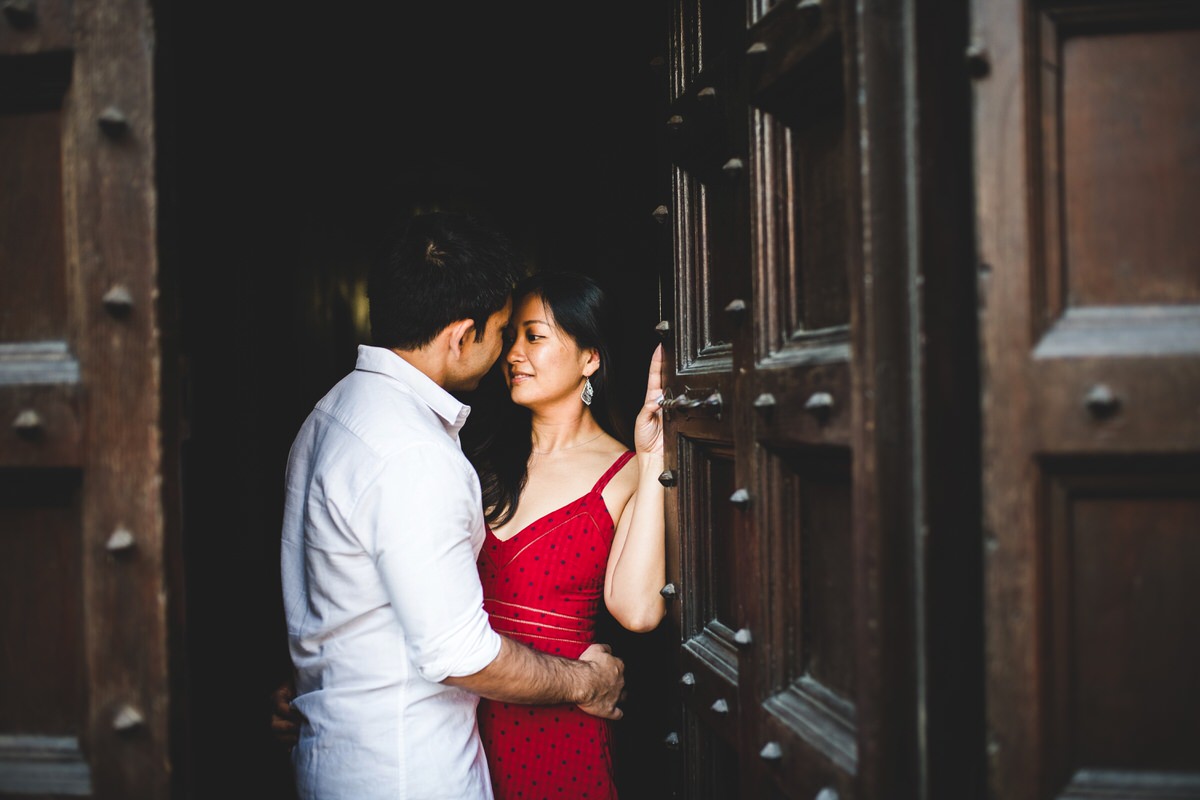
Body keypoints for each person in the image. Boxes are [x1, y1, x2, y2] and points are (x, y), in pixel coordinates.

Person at [279, 212, 625, 800]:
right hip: (409, 770)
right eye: (500, 332)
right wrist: (584, 681)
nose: (506, 353)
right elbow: (459, 654)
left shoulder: (330, 414)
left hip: (336, 750)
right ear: (463, 335)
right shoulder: (417, 453)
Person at [468, 271, 667, 800]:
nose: (512, 353)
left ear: (590, 358)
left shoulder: (625, 472)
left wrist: (652, 460)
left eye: (533, 336)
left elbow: (638, 611)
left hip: (560, 729)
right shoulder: (479, 460)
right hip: (460, 714)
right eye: (511, 337)